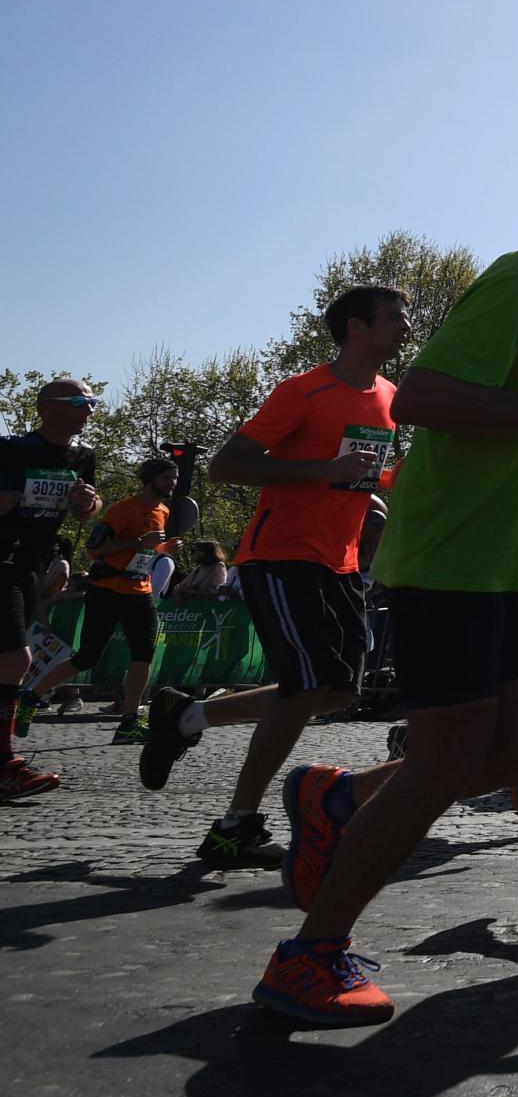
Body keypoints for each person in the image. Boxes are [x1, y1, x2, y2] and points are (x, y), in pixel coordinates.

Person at [249, 146, 518, 1025]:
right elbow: (421, 398)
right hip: (451, 560)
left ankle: (339, 796)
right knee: (446, 763)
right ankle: (308, 956)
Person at [143, 287, 410, 864]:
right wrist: (324, 468)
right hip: (280, 555)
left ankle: (187, 715)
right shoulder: (303, 390)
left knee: (337, 691)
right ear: (356, 328)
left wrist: (396, 484)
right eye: (393, 318)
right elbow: (225, 466)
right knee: (305, 686)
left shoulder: (391, 396)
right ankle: (235, 823)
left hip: (339, 562)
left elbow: (367, 477)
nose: (405, 327)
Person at [1, 379, 105, 799]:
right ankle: (5, 763)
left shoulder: (83, 456)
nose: (89, 410)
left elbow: (88, 510)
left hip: (33, 566)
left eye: (92, 402)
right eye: (79, 402)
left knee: (9, 660)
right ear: (46, 408)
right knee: (15, 658)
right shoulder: (12, 449)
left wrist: (88, 504)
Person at [34, 455, 180, 741]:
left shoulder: (163, 510)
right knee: (88, 657)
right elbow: (94, 549)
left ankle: (128, 721)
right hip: (108, 590)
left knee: (143, 654)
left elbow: (147, 551)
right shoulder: (124, 509)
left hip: (140, 590)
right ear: (150, 480)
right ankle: (32, 694)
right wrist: (141, 542)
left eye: (174, 478)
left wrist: (163, 548)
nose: (172, 483)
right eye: (167, 478)